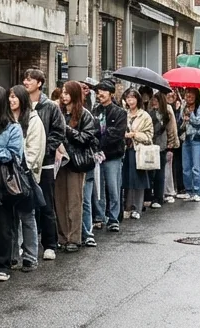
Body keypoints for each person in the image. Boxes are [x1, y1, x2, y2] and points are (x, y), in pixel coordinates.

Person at [0, 87, 27, 282]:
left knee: (4, 224)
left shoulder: (13, 127)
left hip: (4, 181)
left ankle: (3, 264)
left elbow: (13, 155)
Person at [23, 70, 65, 261]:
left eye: (30, 79)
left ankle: (50, 244)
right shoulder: (22, 105)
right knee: (27, 205)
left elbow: (58, 131)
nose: (26, 82)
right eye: (25, 78)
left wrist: (46, 150)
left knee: (47, 204)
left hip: (46, 163)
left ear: (40, 83)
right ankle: (27, 244)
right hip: (25, 164)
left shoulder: (50, 107)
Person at [57, 81, 98, 253]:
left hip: (76, 162)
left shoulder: (84, 115)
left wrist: (67, 129)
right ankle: (62, 237)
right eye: (63, 93)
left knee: (75, 200)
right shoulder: (58, 112)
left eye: (67, 93)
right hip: (59, 161)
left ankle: (74, 238)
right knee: (59, 200)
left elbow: (86, 138)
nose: (64, 96)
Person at [10, 85, 45, 271]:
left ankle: (31, 255)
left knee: (27, 216)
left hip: (24, 175)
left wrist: (24, 168)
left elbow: (33, 150)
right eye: (10, 97)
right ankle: (13, 255)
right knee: (11, 217)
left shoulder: (33, 120)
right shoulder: (7, 119)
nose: (11, 100)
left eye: (15, 97)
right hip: (8, 175)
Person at [92, 80, 128, 233]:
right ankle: (99, 217)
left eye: (104, 91)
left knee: (114, 187)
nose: (100, 94)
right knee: (98, 188)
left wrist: (101, 140)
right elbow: (91, 131)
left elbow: (116, 134)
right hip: (97, 156)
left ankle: (113, 218)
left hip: (113, 155)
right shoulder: (95, 111)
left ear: (111, 93)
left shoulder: (119, 112)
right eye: (98, 91)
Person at [121, 88, 155, 219]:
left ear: (138, 99)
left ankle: (138, 208)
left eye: (133, 97)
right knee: (127, 179)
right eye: (128, 97)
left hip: (139, 150)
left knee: (139, 180)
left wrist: (134, 134)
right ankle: (127, 207)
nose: (130, 100)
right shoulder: (124, 114)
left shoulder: (144, 116)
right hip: (126, 150)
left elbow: (149, 135)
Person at [179, 88, 200, 202]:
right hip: (186, 138)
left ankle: (197, 191)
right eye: (187, 94)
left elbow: (198, 121)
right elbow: (180, 121)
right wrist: (183, 114)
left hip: (197, 139)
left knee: (196, 167)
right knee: (186, 167)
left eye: (191, 94)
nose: (189, 96)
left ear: (196, 95)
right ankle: (188, 190)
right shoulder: (184, 106)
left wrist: (190, 115)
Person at [149, 92, 179, 206]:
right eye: (153, 100)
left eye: (156, 100)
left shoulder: (167, 112)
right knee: (152, 171)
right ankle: (153, 196)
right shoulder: (151, 113)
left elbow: (171, 128)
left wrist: (171, 143)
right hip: (152, 145)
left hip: (163, 145)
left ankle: (158, 197)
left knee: (160, 171)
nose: (154, 102)